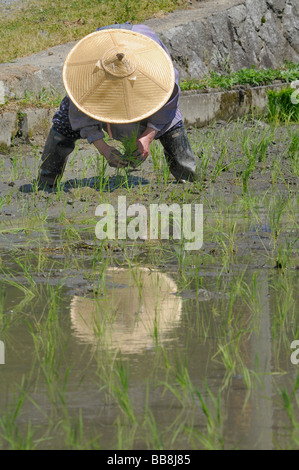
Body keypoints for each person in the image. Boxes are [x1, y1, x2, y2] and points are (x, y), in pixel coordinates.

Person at [20, 23, 198, 193]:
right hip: (100, 51)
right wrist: (103, 148)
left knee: (170, 123)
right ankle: (46, 181)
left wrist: (148, 136)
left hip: (138, 48)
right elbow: (80, 111)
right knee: (65, 122)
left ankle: (188, 176)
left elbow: (167, 103)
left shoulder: (158, 76)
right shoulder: (86, 80)